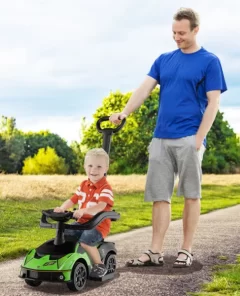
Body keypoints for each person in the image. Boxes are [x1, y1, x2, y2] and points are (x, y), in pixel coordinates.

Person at [109, 7, 227, 268]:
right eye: (174, 32)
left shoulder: (209, 61)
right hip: (161, 137)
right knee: (159, 196)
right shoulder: (164, 59)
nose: (177, 37)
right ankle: (155, 251)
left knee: (191, 195)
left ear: (196, 30)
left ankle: (186, 250)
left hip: (189, 137)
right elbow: (144, 88)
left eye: (182, 33)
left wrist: (199, 138)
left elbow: (213, 102)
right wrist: (125, 113)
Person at [54, 148, 114, 277]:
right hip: (82, 223)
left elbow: (101, 206)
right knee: (65, 234)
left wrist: (84, 210)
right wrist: (62, 208)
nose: (94, 170)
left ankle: (99, 265)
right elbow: (73, 199)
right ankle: (65, 261)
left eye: (99, 166)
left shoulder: (106, 188)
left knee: (86, 240)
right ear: (84, 166)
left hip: (98, 226)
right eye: (90, 166)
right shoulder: (83, 185)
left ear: (106, 168)